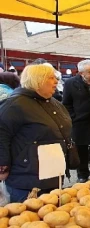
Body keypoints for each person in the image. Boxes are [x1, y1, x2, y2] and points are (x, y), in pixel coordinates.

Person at [0, 64, 72, 202]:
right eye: (51, 77)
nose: (56, 81)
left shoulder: (53, 102)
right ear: (37, 80)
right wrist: (2, 166)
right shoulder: (15, 105)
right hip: (27, 180)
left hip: (52, 174)